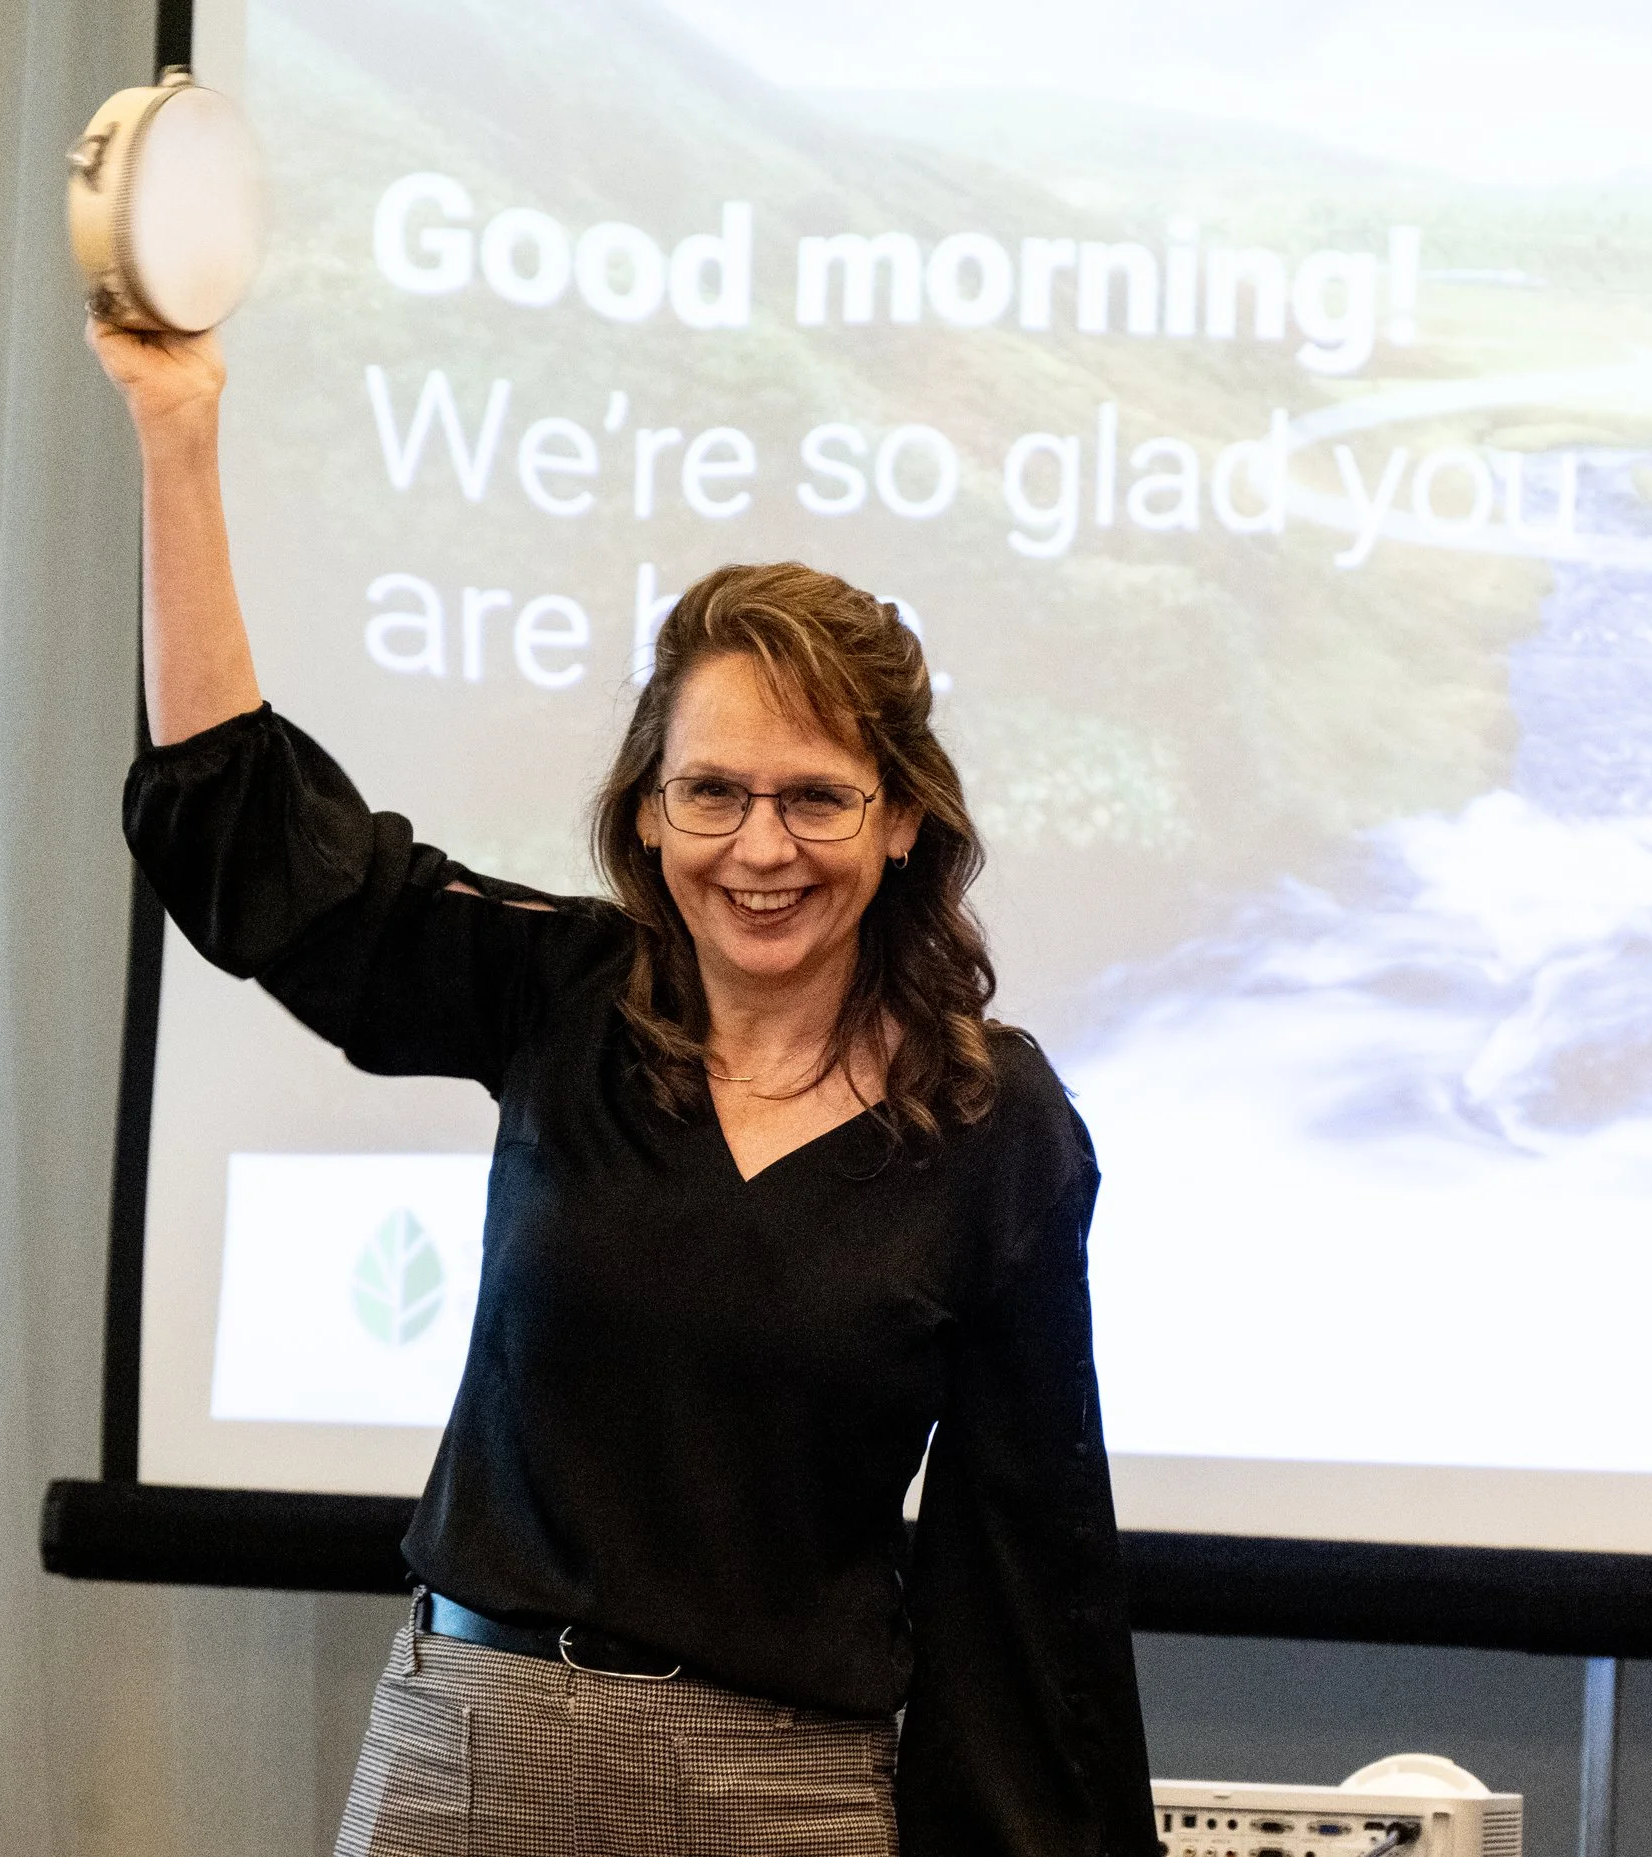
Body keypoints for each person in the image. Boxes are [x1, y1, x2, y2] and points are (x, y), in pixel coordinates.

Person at [90, 315, 1162, 1857]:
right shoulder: (560, 995)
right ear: (646, 814)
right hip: (474, 1756)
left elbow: (1028, 1551)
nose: (761, 847)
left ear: (906, 820)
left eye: (818, 798)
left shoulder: (996, 1124)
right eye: (710, 791)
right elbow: (254, 840)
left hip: (788, 1796)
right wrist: (176, 432)